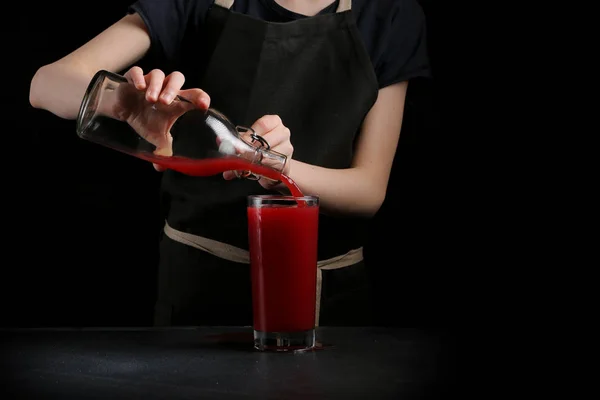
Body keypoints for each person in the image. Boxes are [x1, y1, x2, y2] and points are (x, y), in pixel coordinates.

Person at [29, 0, 430, 327]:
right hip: (198, 291)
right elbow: (46, 84)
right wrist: (122, 101)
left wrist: (275, 167)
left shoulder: (391, 13)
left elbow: (369, 191)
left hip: (326, 302)